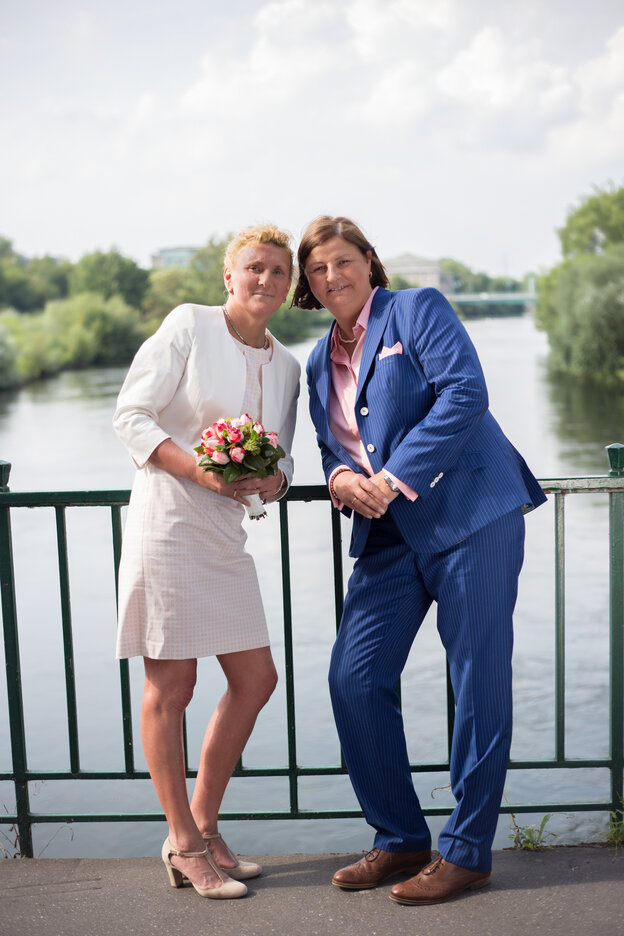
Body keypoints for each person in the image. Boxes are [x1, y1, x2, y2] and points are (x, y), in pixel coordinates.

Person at [295, 215, 546, 906]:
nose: (332, 277)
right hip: (386, 535)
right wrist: (344, 479)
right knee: (354, 677)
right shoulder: (318, 361)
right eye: (317, 270)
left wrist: (393, 475)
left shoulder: (416, 309)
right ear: (307, 286)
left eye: (343, 262)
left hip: (470, 514)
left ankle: (466, 851)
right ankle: (401, 837)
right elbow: (332, 447)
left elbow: (465, 392)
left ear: (369, 264)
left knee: (477, 679)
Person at [113, 224, 300, 900]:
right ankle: (185, 844)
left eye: (280, 272)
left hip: (227, 535)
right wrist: (203, 470)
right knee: (173, 688)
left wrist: (266, 482)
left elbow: (284, 464)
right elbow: (133, 416)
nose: (267, 281)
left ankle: (204, 822)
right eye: (255, 268)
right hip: (168, 521)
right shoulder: (188, 326)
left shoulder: (288, 367)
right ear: (229, 276)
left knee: (256, 679)